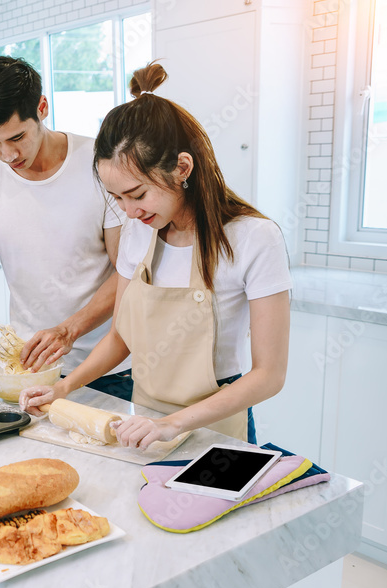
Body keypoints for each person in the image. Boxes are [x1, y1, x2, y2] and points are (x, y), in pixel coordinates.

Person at [20, 61, 292, 448]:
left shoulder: (253, 239)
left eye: (138, 194)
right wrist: (62, 389)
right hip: (142, 425)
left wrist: (174, 424)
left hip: (216, 428)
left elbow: (269, 375)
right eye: (117, 198)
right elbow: (120, 338)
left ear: (182, 168)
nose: (129, 212)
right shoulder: (137, 235)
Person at [0, 56, 132, 399]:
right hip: (29, 371)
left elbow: (129, 272)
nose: (7, 154)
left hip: (110, 367)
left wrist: (68, 331)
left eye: (17, 137)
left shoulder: (101, 165)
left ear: (41, 108)